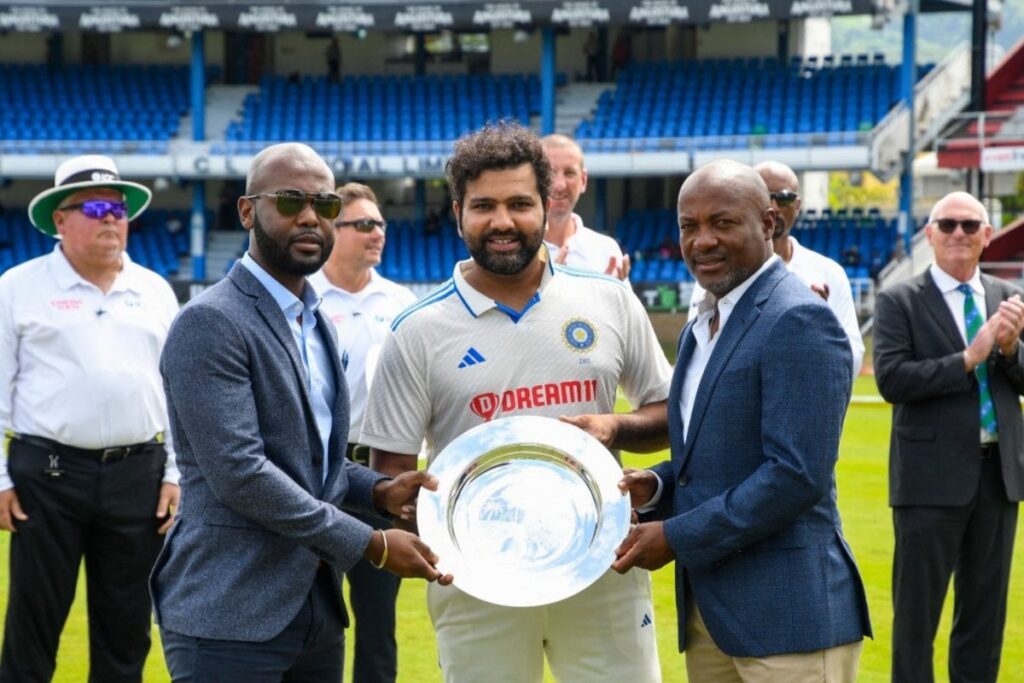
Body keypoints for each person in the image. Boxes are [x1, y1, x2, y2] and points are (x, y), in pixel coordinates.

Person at [361, 122, 672, 683]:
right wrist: (418, 511)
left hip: (601, 561)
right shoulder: (417, 331)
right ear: (457, 212)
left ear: (546, 205)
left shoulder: (607, 300)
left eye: (519, 204)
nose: (502, 222)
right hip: (478, 577)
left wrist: (614, 427)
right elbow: (391, 472)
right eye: (483, 205)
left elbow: (669, 415)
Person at [152, 143, 451, 681]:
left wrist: (377, 491)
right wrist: (371, 543)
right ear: (247, 211)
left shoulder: (315, 321)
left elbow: (312, 463)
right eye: (290, 201)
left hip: (313, 605)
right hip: (229, 610)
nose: (311, 216)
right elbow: (241, 473)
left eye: (325, 204)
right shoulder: (211, 322)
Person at [615, 160, 870, 681]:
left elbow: (795, 475)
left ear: (769, 223)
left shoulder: (799, 318)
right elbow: (712, 454)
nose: (702, 240)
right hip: (712, 613)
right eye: (689, 226)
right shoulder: (704, 323)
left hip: (788, 618)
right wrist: (656, 484)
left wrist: (675, 536)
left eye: (723, 222)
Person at [0, 154, 180, 682]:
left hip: (138, 474)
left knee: (126, 631)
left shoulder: (154, 290)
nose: (110, 219)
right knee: (33, 623)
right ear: (60, 219)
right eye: (96, 207)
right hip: (46, 477)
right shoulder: (17, 287)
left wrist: (175, 474)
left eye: (119, 209)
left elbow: (174, 396)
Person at [873, 191, 1024, 683]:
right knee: (917, 619)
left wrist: (1010, 350)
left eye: (969, 225)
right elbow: (892, 381)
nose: (958, 233)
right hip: (927, 481)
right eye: (948, 224)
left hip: (998, 478)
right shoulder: (899, 299)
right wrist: (966, 360)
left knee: (984, 618)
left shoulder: (1008, 297)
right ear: (930, 234)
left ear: (986, 234)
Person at [308, 182, 416, 683]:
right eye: (364, 224)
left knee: (378, 621)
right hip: (318, 478)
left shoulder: (402, 303)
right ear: (333, 229)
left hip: (381, 480)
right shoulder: (304, 300)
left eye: (381, 224)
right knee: (312, 614)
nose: (377, 233)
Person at [687, 160, 865, 378]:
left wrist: (822, 326)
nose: (774, 205)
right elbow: (700, 358)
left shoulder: (829, 273)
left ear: (797, 205)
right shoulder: (720, 274)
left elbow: (852, 362)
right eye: (764, 195)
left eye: (783, 197)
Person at [540, 133, 630, 280]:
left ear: (583, 180)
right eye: (549, 173)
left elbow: (621, 303)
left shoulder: (607, 250)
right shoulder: (515, 251)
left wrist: (612, 297)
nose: (560, 185)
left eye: (569, 173)